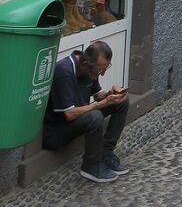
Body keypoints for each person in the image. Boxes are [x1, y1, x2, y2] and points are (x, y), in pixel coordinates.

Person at [42, 40, 130, 183]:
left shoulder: (90, 69)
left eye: (105, 69)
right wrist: (100, 104)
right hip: (57, 131)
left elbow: (97, 95)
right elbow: (69, 114)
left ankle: (105, 154)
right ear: (85, 64)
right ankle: (91, 166)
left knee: (122, 102)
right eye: (100, 71)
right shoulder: (63, 71)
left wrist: (110, 95)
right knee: (95, 116)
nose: (102, 74)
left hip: (77, 120)